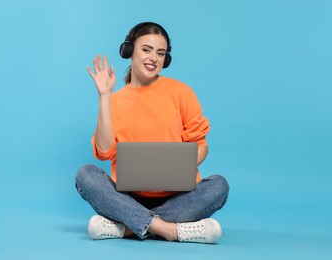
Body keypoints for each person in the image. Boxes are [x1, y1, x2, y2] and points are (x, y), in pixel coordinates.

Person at [75, 22, 229, 244]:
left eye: (160, 53)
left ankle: (126, 228)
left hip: (177, 197)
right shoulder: (115, 100)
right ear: (129, 51)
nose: (153, 58)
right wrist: (104, 97)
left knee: (218, 185)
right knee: (86, 175)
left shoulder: (181, 93)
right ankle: (171, 230)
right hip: (127, 197)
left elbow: (201, 145)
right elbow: (105, 151)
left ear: (166, 59)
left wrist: (176, 168)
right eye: (146, 50)